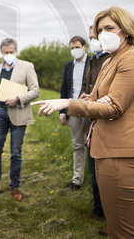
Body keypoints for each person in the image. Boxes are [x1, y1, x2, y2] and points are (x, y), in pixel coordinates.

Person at [32, 6, 134, 238]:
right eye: (99, 29)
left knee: (126, 231)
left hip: (123, 154)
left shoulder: (132, 60)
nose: (102, 34)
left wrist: (69, 102)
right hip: (104, 149)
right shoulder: (109, 62)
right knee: (115, 227)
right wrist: (94, 101)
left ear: (126, 30)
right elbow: (96, 99)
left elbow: (113, 108)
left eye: (109, 28)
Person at [0, 38, 40, 202]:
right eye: (6, 52)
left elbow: (35, 91)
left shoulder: (27, 67)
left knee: (16, 152)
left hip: (18, 113)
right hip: (0, 114)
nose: (9, 54)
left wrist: (18, 98)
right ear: (2, 53)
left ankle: (15, 186)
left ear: (16, 51)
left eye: (12, 52)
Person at [79, 26, 110, 220]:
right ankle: (99, 209)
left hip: (107, 119)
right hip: (93, 119)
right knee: (94, 167)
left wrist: (91, 100)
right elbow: (88, 85)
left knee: (106, 170)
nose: (93, 41)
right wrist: (85, 97)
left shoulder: (112, 60)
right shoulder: (93, 59)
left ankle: (111, 214)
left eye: (95, 37)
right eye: (90, 37)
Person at [59, 36, 89, 191]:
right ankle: (77, 180)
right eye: (71, 48)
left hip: (91, 108)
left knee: (94, 145)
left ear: (84, 47)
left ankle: (98, 178)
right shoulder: (68, 66)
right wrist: (62, 112)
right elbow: (64, 89)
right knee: (78, 145)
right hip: (73, 108)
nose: (74, 50)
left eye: (77, 47)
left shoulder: (93, 63)